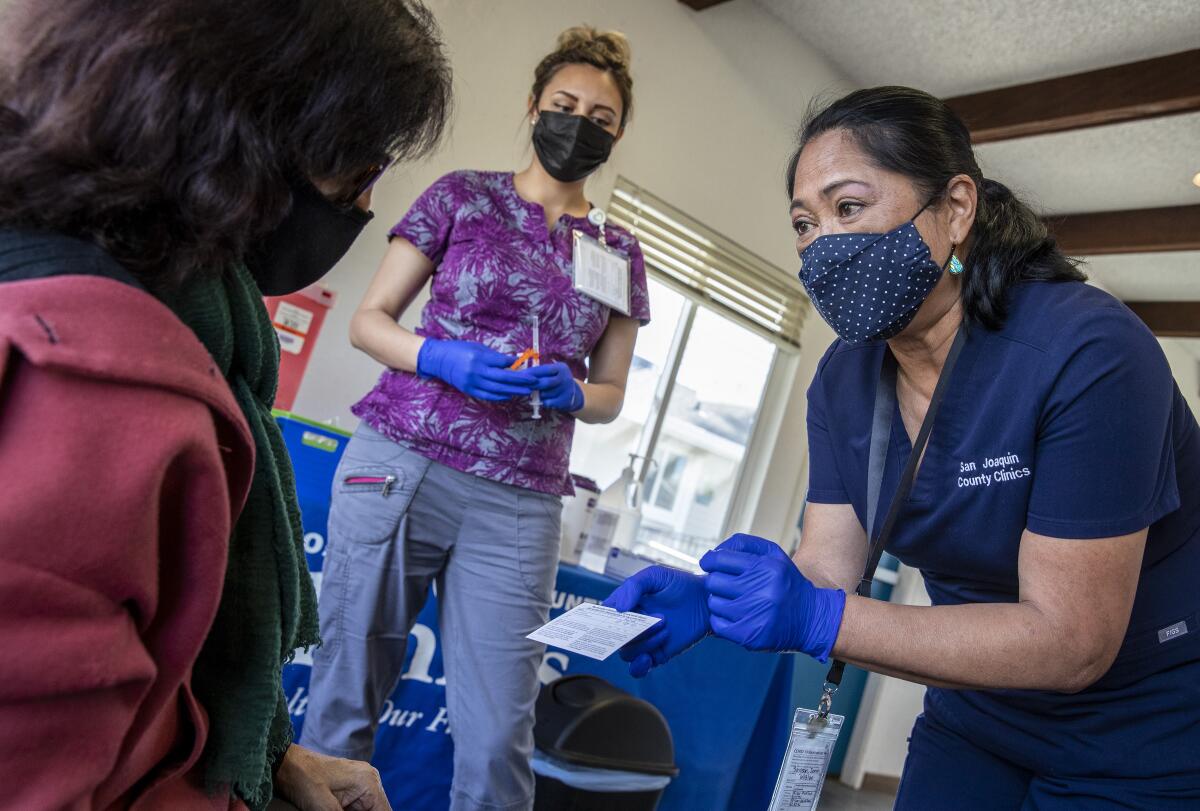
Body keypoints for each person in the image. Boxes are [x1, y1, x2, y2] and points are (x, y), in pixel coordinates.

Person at [606, 86, 1200, 809]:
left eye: (847, 207)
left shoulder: (1089, 353)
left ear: (955, 208)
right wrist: (714, 602)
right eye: (804, 223)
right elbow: (828, 565)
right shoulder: (843, 382)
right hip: (978, 708)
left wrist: (820, 620)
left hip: (1145, 719)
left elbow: (1073, 640)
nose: (822, 243)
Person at [0, 1, 451, 809]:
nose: (362, 204)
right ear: (243, 136)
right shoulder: (97, 391)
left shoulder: (174, 331)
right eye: (357, 175)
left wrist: (273, 756)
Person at [300, 25, 650, 811]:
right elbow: (372, 320)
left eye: (600, 114)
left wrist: (573, 392)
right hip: (400, 459)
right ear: (533, 107)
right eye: (565, 104)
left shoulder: (621, 253)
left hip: (521, 499)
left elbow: (612, 392)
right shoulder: (462, 194)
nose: (579, 122)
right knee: (341, 704)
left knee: (498, 737)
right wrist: (439, 357)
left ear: (618, 132)